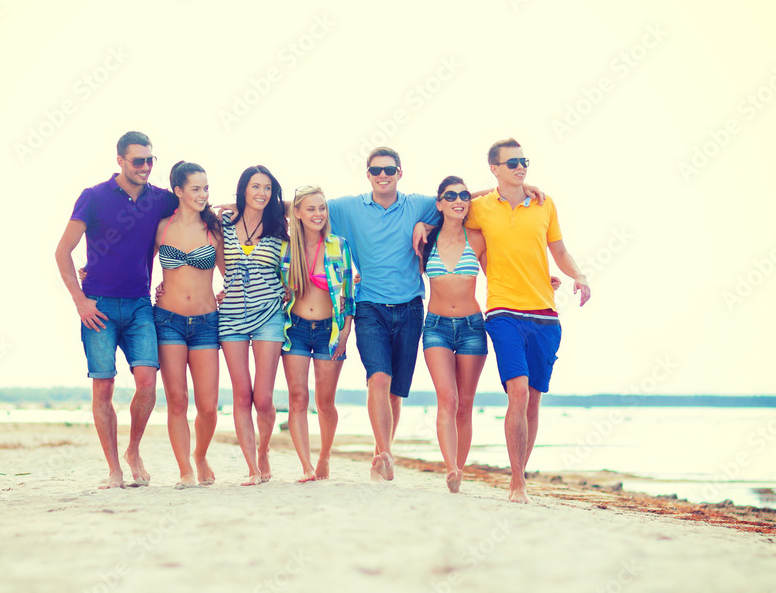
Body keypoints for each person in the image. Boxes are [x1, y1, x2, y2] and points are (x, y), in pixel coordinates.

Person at [329, 147, 544, 482]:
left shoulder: (445, 220)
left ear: (400, 172)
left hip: (439, 316)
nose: (383, 175)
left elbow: (480, 225)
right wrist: (252, 206)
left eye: (389, 170)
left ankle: (410, 458)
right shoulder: (372, 216)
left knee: (410, 394)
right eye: (376, 170)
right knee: (390, 382)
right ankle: (395, 456)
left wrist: (517, 191)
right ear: (368, 173)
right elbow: (306, 209)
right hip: (399, 314)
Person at [465, 138, 590, 504]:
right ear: (495, 167)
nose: (521, 167)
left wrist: (579, 276)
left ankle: (520, 474)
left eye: (524, 162)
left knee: (533, 400)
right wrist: (493, 190)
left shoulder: (544, 203)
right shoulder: (481, 207)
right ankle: (516, 483)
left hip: (545, 314)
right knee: (516, 392)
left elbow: (560, 251)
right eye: (512, 162)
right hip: (503, 311)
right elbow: (443, 203)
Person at [55, 131, 177, 489]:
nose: (145, 167)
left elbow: (193, 209)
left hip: (140, 305)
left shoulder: (160, 200)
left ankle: (133, 451)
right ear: (120, 161)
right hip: (99, 307)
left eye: (150, 160)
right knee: (103, 388)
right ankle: (114, 470)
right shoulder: (93, 197)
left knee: (148, 383)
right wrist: (79, 300)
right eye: (138, 161)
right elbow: (62, 251)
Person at [153, 161, 225, 488]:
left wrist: (229, 294)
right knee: (178, 401)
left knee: (208, 406)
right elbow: (132, 263)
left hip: (207, 322)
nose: (202, 194)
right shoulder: (161, 227)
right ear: (178, 191)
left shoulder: (214, 228)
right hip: (167, 320)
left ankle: (200, 455)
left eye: (206, 188)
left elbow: (233, 272)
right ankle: (185, 471)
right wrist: (90, 274)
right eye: (195, 188)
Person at [218, 166, 289, 485]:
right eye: (254, 186)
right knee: (241, 395)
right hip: (231, 315)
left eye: (267, 188)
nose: (261, 193)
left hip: (270, 313)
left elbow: (307, 205)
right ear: (243, 189)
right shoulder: (223, 222)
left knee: (263, 397)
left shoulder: (280, 225)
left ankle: (263, 450)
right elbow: (215, 254)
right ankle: (252, 468)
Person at [279, 186, 354, 482]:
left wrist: (346, 329)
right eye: (311, 209)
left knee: (325, 402)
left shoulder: (339, 245)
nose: (318, 214)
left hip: (329, 331)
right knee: (298, 398)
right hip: (294, 328)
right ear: (296, 213)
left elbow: (349, 292)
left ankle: (324, 457)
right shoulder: (286, 249)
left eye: (322, 208)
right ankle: (306, 466)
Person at [420, 176, 488, 494]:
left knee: (465, 403)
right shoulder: (425, 238)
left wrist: (544, 280)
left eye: (463, 195)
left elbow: (502, 273)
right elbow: (400, 268)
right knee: (447, 398)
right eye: (450, 196)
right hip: (436, 328)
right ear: (439, 203)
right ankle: (451, 469)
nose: (458, 200)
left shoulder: (477, 238)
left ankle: (459, 471)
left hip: (473, 327)